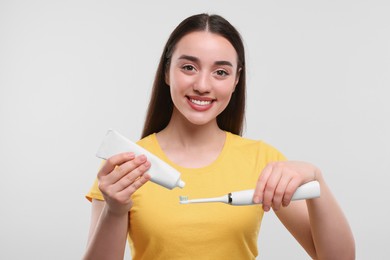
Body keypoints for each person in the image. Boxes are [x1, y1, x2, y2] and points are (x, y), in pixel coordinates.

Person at [84, 13, 355, 260]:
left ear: (236, 81)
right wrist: (116, 210)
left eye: (221, 72)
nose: (202, 85)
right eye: (189, 67)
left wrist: (316, 178)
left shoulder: (263, 161)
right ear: (167, 72)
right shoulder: (126, 166)